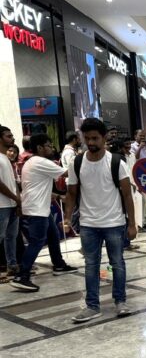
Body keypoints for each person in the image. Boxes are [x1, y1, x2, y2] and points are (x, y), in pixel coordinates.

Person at [64, 118, 137, 322]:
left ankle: (120, 302)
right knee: (91, 265)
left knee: (118, 264)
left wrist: (132, 224)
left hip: (114, 223)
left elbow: (127, 195)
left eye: (95, 138)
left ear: (104, 138)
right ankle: (92, 306)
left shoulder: (116, 163)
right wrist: (68, 217)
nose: (91, 142)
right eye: (87, 138)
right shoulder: (76, 163)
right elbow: (71, 193)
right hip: (88, 224)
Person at [10, 134, 77, 292]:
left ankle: (59, 265)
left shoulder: (32, 162)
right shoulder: (40, 161)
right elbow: (66, 173)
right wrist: (82, 161)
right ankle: (22, 275)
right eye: (48, 145)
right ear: (39, 147)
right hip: (36, 209)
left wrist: (57, 196)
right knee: (37, 242)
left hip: (40, 207)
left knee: (53, 236)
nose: (51, 148)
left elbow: (38, 186)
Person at [0, 125, 21, 281]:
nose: (12, 138)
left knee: (11, 237)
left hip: (11, 204)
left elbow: (12, 182)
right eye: (8, 136)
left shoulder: (6, 158)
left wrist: (17, 201)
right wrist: (15, 198)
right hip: (2, 205)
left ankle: (12, 266)